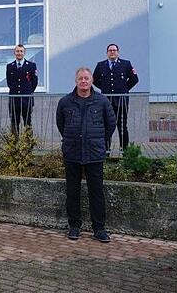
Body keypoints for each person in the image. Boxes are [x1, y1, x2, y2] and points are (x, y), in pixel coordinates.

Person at [56, 67, 116, 242]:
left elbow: (110, 124)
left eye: (86, 78)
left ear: (92, 81)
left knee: (96, 192)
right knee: (72, 191)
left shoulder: (102, 101)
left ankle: (99, 228)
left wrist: (98, 140)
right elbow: (61, 124)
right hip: (72, 153)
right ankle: (74, 226)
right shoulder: (65, 102)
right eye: (80, 78)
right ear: (75, 81)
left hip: (94, 153)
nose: (83, 81)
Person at [93, 44, 139, 150]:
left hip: (121, 101)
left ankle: (124, 149)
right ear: (107, 53)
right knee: (106, 125)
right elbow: (94, 80)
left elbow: (135, 79)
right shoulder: (100, 65)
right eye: (110, 50)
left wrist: (124, 89)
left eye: (114, 50)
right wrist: (104, 89)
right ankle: (106, 149)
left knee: (122, 125)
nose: (112, 52)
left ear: (118, 52)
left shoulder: (126, 64)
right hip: (106, 100)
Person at [6, 44, 38, 135]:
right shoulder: (10, 66)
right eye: (17, 51)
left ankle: (28, 146)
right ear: (14, 53)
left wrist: (27, 92)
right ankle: (14, 146)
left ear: (24, 53)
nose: (19, 53)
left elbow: (34, 82)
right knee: (14, 123)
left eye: (21, 51)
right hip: (14, 100)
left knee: (27, 123)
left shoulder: (31, 66)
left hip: (26, 100)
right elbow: (9, 82)